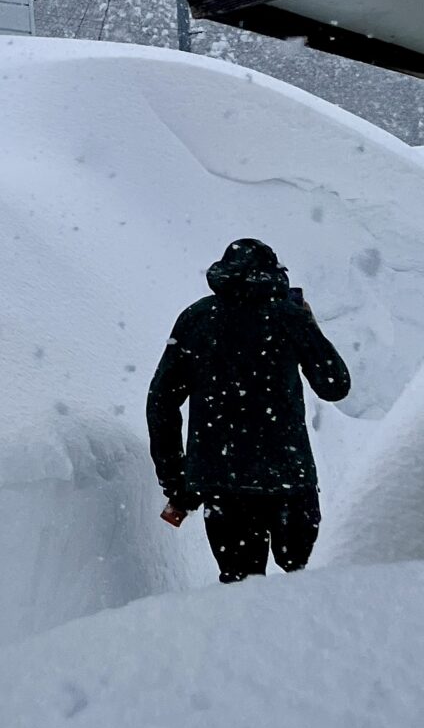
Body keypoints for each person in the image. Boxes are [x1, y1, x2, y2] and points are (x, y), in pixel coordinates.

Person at [146, 237, 352, 582]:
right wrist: (308, 323)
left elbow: (161, 402)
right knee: (305, 582)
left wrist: (176, 480)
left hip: (221, 484)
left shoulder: (197, 319)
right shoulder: (288, 317)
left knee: (240, 586)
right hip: (288, 479)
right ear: (275, 275)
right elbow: (335, 385)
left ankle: (244, 636)